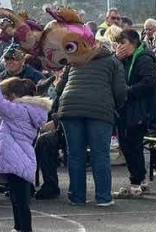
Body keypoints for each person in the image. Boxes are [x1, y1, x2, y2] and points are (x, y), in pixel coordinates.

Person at [52, 36, 126, 207]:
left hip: (70, 107)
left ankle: (76, 197)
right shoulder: (113, 61)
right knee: (100, 154)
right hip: (100, 110)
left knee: (75, 154)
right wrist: (115, 106)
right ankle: (103, 197)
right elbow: (120, 90)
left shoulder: (75, 58)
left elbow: (59, 88)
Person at [0, 76, 51, 232]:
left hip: (18, 160)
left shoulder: (20, 109)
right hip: (18, 159)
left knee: (21, 201)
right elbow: (11, 133)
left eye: (6, 96)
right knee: (16, 198)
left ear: (14, 96)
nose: (5, 100)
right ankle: (18, 228)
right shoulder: (26, 110)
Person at [113, 30, 156, 199]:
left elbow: (149, 82)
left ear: (133, 43)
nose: (119, 47)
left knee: (132, 146)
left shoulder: (143, 58)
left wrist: (128, 92)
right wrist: (116, 59)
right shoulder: (124, 59)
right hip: (127, 110)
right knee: (131, 146)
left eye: (122, 43)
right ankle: (141, 179)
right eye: (117, 43)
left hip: (138, 110)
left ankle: (136, 182)